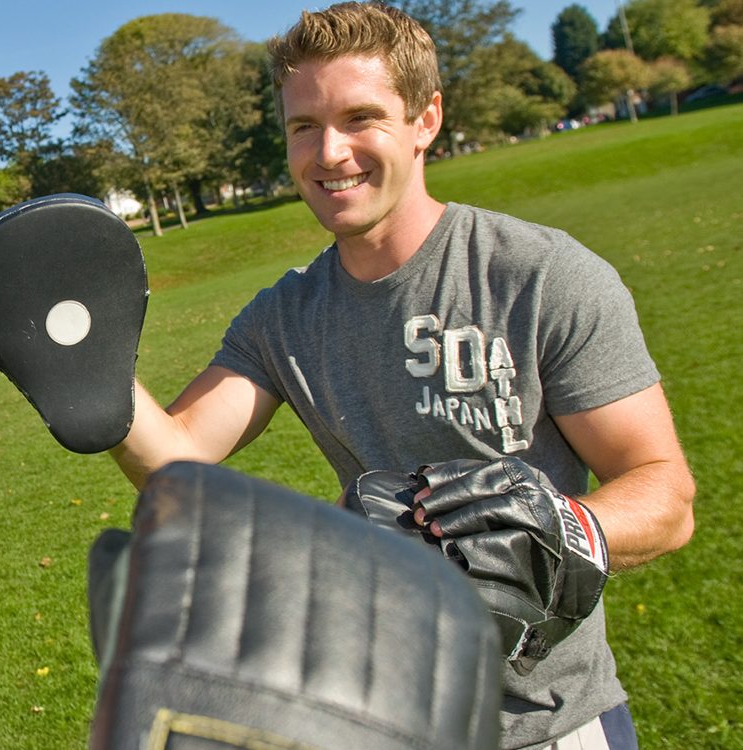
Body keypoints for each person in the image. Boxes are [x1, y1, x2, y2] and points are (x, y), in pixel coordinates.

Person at [107, 4, 694, 749]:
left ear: (425, 120)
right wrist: (89, 371)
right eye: (303, 126)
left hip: (552, 724)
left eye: (361, 117)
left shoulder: (540, 277)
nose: (329, 152)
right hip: (383, 719)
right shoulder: (283, 316)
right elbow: (181, 455)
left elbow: (666, 494)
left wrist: (555, 532)